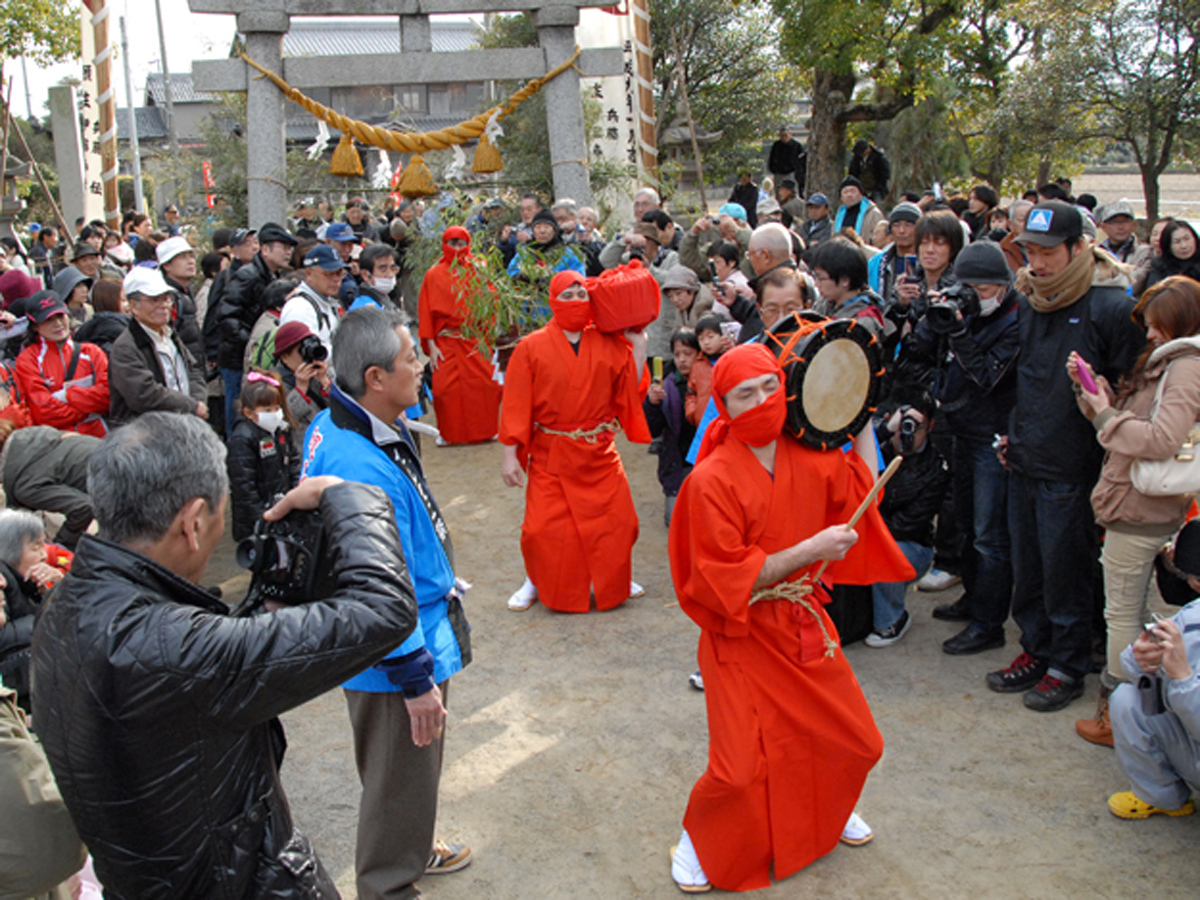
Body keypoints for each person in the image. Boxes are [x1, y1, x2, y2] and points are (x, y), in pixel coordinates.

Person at [32, 412, 418, 899]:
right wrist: (348, 496)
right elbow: (384, 609)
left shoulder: (66, 605)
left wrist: (260, 612)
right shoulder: (175, 649)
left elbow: (180, 694)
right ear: (193, 523)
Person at [666, 343, 913, 893]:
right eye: (744, 394)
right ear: (723, 405)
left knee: (856, 741)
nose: (761, 401)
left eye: (769, 387)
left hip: (803, 622)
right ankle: (697, 838)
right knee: (738, 768)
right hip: (740, 633)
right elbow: (724, 577)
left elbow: (861, 488)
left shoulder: (810, 454)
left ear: (787, 386)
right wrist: (811, 549)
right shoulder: (710, 480)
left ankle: (831, 808)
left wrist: (858, 409)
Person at [301, 308, 474, 900]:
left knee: (401, 773)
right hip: (396, 649)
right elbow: (375, 582)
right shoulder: (357, 464)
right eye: (410, 359)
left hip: (405, 632)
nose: (421, 366)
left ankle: (411, 844)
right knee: (398, 771)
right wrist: (413, 676)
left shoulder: (344, 420)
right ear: (374, 377)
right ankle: (389, 884)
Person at [989, 201, 1145, 712]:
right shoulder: (1031, 299)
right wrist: (1012, 435)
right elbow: (1026, 377)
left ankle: (1069, 663)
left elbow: (1131, 387)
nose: (1037, 263)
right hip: (1026, 456)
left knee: (1066, 571)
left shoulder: (1113, 306)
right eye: (1030, 251)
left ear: (1079, 248)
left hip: (1075, 466)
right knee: (1029, 568)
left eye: (1048, 252)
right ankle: (1036, 649)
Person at [1069, 276, 1200, 745]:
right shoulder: (1173, 362)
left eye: (1157, 323)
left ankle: (1119, 719)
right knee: (1136, 612)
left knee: (1122, 615)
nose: (1149, 333)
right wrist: (1097, 398)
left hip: (1142, 507)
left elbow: (1161, 439)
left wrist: (1106, 414)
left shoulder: (1185, 366)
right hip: (1139, 502)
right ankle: (1143, 712)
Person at [500, 270, 651, 613]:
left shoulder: (609, 341)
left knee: (620, 522)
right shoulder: (530, 346)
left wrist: (639, 344)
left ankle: (616, 578)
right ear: (553, 301)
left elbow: (627, 392)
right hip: (552, 450)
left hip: (599, 450)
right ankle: (534, 580)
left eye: (581, 294)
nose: (575, 301)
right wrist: (510, 454)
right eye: (567, 295)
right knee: (541, 529)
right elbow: (516, 403)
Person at [899, 242, 1021, 657]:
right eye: (969, 289)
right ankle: (973, 598)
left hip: (993, 438)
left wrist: (958, 330)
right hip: (961, 428)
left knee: (990, 536)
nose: (975, 298)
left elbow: (986, 377)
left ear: (1003, 285)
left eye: (982, 290)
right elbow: (918, 355)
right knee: (965, 523)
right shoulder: (959, 309)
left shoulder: (1016, 318)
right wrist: (932, 317)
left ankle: (989, 624)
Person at [866, 390, 950, 647]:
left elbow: (907, 526)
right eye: (904, 425)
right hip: (872, 533)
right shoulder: (875, 446)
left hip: (910, 545)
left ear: (931, 426)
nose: (908, 434)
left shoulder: (936, 467)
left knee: (885, 552)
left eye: (916, 426)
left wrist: (868, 535)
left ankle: (891, 619)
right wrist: (883, 432)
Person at [1106, 591, 1200, 819]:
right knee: (1128, 699)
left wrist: (1183, 679)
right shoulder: (1194, 613)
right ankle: (1162, 797)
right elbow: (1140, 676)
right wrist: (1141, 659)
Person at [414, 226, 503, 445]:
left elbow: (492, 303)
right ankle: (449, 433)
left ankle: (487, 429)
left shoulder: (479, 269)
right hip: (446, 340)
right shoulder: (433, 275)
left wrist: (489, 338)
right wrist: (431, 345)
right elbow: (425, 311)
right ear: (444, 245)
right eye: (452, 243)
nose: (457, 248)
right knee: (445, 389)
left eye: (461, 243)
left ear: (468, 244)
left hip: (475, 339)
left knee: (486, 385)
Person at [214, 224, 295, 435]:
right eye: (283, 247)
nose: (288, 253)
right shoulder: (247, 275)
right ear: (265, 249)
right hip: (237, 358)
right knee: (241, 412)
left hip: (256, 356)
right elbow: (226, 315)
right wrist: (254, 344)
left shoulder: (273, 276)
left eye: (290, 248)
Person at [109, 267, 207, 425]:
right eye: (154, 300)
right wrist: (191, 406)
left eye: (166, 299)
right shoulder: (126, 347)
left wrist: (198, 401)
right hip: (145, 431)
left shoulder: (170, 335)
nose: (164, 305)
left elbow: (193, 370)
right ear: (134, 306)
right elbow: (143, 394)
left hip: (184, 424)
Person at [14, 293, 109, 437]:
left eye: (60, 316)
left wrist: (67, 395)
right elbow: (44, 414)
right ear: (35, 326)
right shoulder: (27, 360)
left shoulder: (92, 352)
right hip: (57, 443)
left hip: (100, 438)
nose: (58, 324)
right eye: (48, 320)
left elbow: (108, 397)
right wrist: (89, 409)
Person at [0, 509, 66, 713]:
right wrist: (48, 618)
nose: (44, 555)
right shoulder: (3, 579)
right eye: (36, 547)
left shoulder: (26, 582)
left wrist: (57, 588)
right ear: (10, 550)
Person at [227, 370, 300, 542]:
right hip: (255, 521)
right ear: (249, 412)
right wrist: (262, 517)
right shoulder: (243, 438)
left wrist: (294, 494)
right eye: (267, 410)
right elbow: (244, 486)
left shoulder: (282, 430)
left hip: (282, 508)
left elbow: (294, 463)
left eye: (277, 408)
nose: (274, 413)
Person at [1, 424, 99, 551]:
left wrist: (61, 547)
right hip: (118, 462)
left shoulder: (26, 485)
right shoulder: (38, 439)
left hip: (117, 491)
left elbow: (83, 507)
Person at [645, 327, 701, 526]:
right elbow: (653, 429)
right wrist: (652, 404)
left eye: (688, 353)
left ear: (699, 354)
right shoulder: (664, 384)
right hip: (676, 460)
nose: (682, 359)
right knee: (675, 521)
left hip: (703, 458)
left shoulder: (711, 379)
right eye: (677, 354)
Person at [272, 320, 330, 455]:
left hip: (327, 446)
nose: (308, 357)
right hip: (301, 453)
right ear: (285, 357)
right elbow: (282, 421)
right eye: (302, 352)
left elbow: (341, 410)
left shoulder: (320, 374)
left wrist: (325, 383)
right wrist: (300, 390)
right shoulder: (274, 384)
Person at [811, 238, 887, 337]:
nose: (816, 284)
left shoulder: (863, 322)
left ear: (845, 280)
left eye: (821, 278)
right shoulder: (824, 306)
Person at [280, 244, 347, 356]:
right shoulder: (300, 307)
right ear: (309, 273)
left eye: (339, 273)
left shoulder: (329, 303)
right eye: (328, 273)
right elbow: (302, 356)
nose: (336, 279)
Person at [157, 236, 205, 366]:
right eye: (183, 257)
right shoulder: (168, 298)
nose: (191, 261)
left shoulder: (185, 292)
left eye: (191, 256)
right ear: (167, 265)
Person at [869, 202, 922, 302]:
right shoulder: (877, 263)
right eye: (896, 225)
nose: (902, 230)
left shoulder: (928, 261)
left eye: (909, 225)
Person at [1144, 220, 1200, 293]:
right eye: (1177, 242)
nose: (1184, 246)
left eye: (1187, 239)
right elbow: (1152, 293)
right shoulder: (1159, 264)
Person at [351, 243, 403, 312]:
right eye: (383, 269)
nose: (390, 275)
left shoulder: (384, 300)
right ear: (365, 275)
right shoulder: (363, 308)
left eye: (393, 268)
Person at [1097, 201, 1150, 267]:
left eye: (1125, 221)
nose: (1120, 227)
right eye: (1115, 222)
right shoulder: (1096, 251)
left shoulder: (1144, 251)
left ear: (1134, 224)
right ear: (1103, 227)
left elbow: (1139, 273)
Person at [847, 139, 891, 205]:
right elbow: (852, 173)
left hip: (876, 190)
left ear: (868, 149)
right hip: (861, 190)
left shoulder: (879, 158)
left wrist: (879, 186)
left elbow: (885, 174)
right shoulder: (856, 160)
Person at [768, 128, 806, 198]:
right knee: (779, 193)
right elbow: (772, 158)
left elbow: (801, 161)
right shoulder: (776, 145)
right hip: (779, 173)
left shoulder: (797, 146)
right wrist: (773, 169)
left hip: (791, 173)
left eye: (785, 135)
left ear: (790, 135)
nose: (784, 138)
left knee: (793, 192)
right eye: (781, 136)